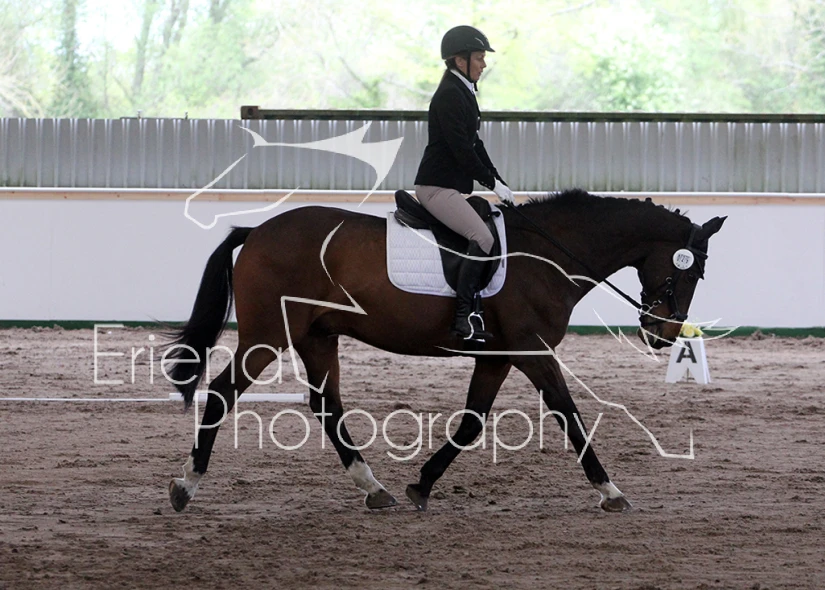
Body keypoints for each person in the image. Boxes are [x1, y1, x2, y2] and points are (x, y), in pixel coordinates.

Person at [414, 25, 514, 342]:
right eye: (479, 58)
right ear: (460, 60)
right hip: (436, 187)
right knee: (482, 238)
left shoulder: (462, 91)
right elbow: (462, 150)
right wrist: (491, 183)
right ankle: (463, 317)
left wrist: (498, 180)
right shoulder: (449, 96)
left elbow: (476, 144)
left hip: (450, 186)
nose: (483, 64)